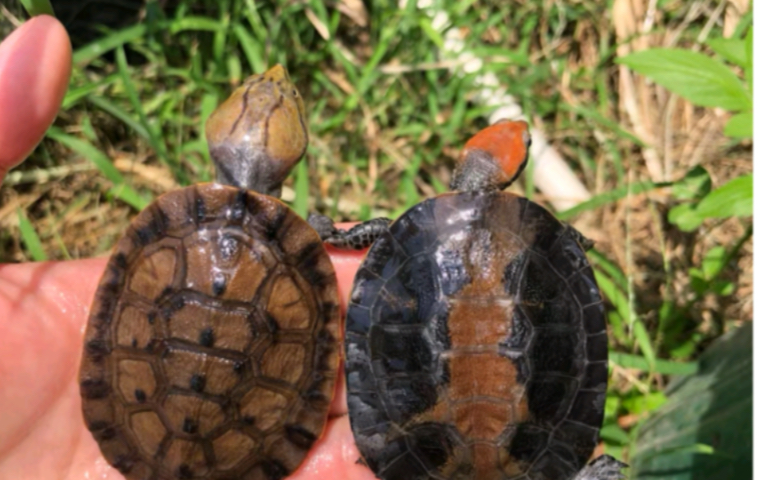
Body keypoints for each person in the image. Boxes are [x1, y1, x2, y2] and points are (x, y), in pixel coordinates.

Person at [0, 15, 374, 480]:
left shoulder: (173, 225)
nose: (278, 77)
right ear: (294, 153)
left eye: (286, 93)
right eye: (261, 84)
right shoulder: (301, 246)